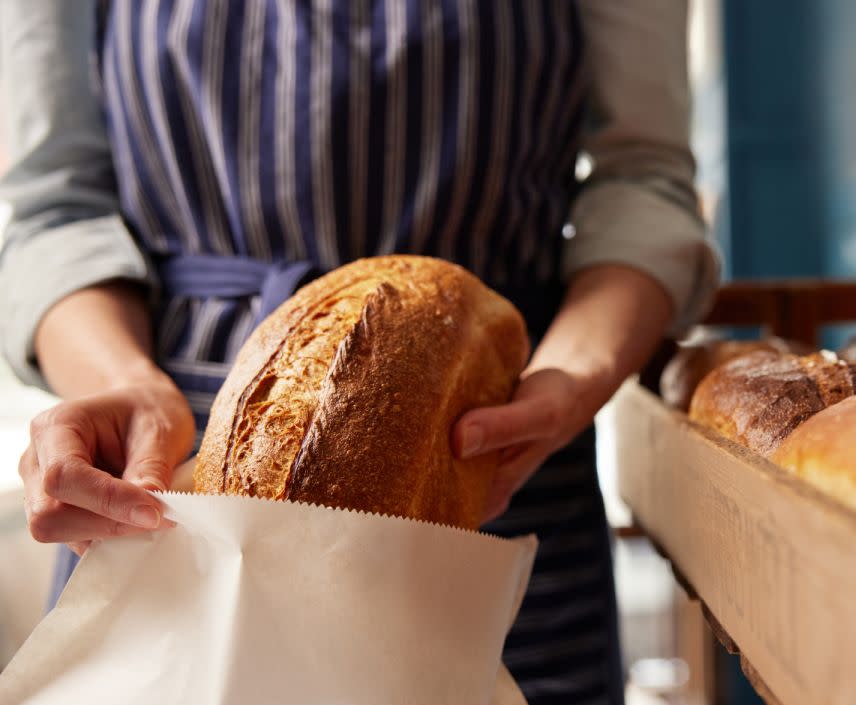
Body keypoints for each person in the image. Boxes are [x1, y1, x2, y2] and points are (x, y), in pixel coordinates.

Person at [0, 1, 718, 702]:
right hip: (176, 494)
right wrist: (123, 381)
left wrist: (575, 373)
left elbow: (641, 179)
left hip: (491, 469)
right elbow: (53, 208)